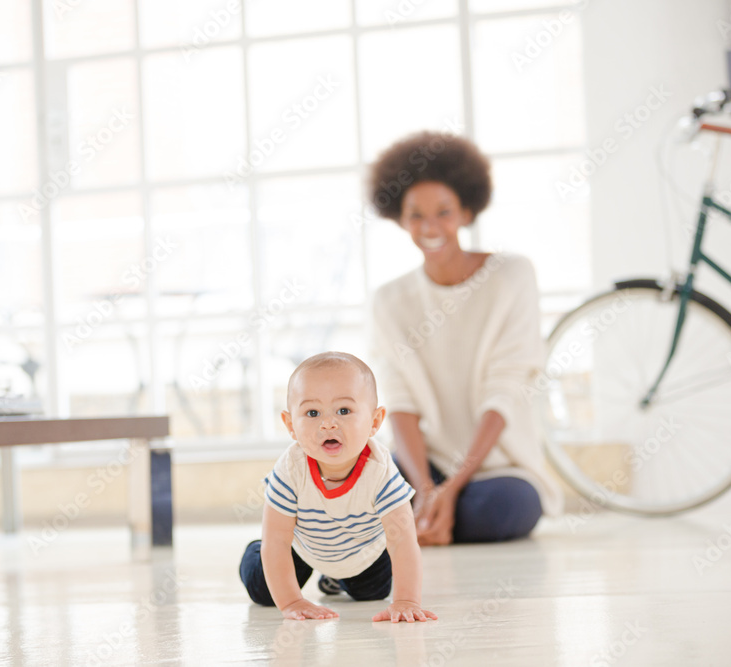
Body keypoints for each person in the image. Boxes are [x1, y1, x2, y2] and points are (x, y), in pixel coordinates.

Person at [368, 130, 563, 547]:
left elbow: (505, 390)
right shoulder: (389, 301)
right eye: (416, 215)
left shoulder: (511, 276)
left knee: (499, 508)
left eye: (444, 212)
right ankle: (426, 515)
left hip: (498, 470)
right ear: (400, 219)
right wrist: (424, 488)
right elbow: (400, 404)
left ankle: (424, 521)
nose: (430, 226)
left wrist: (453, 487)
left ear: (467, 212)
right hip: (422, 465)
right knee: (366, 491)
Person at [239, 351, 438, 623]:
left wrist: (406, 601)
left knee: (372, 592)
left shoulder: (380, 472)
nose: (328, 423)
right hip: (303, 549)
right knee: (263, 590)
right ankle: (256, 553)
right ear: (290, 426)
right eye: (312, 413)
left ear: (375, 421)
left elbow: (402, 541)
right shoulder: (290, 469)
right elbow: (277, 540)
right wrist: (292, 602)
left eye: (344, 411)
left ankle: (335, 578)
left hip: (363, 552)